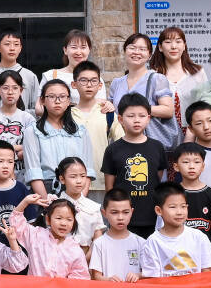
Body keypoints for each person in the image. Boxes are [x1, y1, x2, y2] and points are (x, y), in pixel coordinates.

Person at [101, 93, 169, 240]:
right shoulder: (113, 149)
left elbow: (157, 178)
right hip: (122, 217)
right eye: (131, 116)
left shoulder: (157, 147)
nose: (136, 120)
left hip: (151, 215)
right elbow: (109, 187)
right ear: (120, 119)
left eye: (142, 116)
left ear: (148, 118)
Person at [23, 80, 95, 202]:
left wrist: (79, 201)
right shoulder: (33, 131)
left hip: (76, 190)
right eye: (51, 96)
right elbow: (33, 172)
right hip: (45, 191)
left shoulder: (81, 132)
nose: (57, 101)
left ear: (68, 101)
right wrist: (47, 203)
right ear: (42, 100)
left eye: (62, 97)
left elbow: (87, 171)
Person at [109, 33, 177, 148]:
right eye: (132, 48)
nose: (136, 52)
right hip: (121, 143)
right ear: (125, 51)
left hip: (148, 144)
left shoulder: (156, 79)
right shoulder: (116, 83)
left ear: (149, 55)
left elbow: (168, 110)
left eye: (142, 49)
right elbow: (111, 110)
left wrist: (138, 110)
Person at [69, 61, 119, 203]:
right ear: (74, 84)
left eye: (93, 81)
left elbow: (122, 141)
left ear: (100, 85)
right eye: (84, 80)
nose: (89, 85)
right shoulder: (67, 114)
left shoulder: (108, 113)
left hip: (101, 180)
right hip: (72, 181)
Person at [167, 142, 211, 256]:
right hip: (177, 258)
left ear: (203, 166)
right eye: (186, 162)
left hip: (205, 258)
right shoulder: (170, 195)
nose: (191, 166)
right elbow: (162, 228)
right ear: (176, 167)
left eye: (196, 162)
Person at [150, 26, 207, 146]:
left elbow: (205, 105)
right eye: (168, 42)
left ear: (184, 45)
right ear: (160, 47)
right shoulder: (152, 75)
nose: (173, 46)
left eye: (178, 41)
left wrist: (192, 133)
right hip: (162, 135)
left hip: (194, 132)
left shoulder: (198, 73)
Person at [38, 29, 105, 112]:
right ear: (65, 50)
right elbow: (39, 108)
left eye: (83, 47)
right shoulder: (50, 76)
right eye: (74, 47)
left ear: (89, 50)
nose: (78, 52)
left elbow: (101, 107)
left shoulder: (96, 79)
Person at [58, 157, 104, 259]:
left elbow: (98, 236)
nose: (79, 181)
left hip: (88, 259)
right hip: (62, 259)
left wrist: (86, 259)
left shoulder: (93, 206)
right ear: (62, 179)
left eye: (83, 176)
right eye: (73, 177)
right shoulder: (55, 205)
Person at [0, 71, 34, 179]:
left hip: (22, 176)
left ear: (21, 90)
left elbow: (33, 147)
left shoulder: (28, 119)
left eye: (15, 88)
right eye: (5, 88)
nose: (10, 92)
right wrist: (18, 148)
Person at [0, 28, 39, 110]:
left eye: (16, 44)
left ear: (20, 48)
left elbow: (36, 109)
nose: (12, 48)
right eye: (7, 44)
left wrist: (21, 115)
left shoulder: (30, 76)